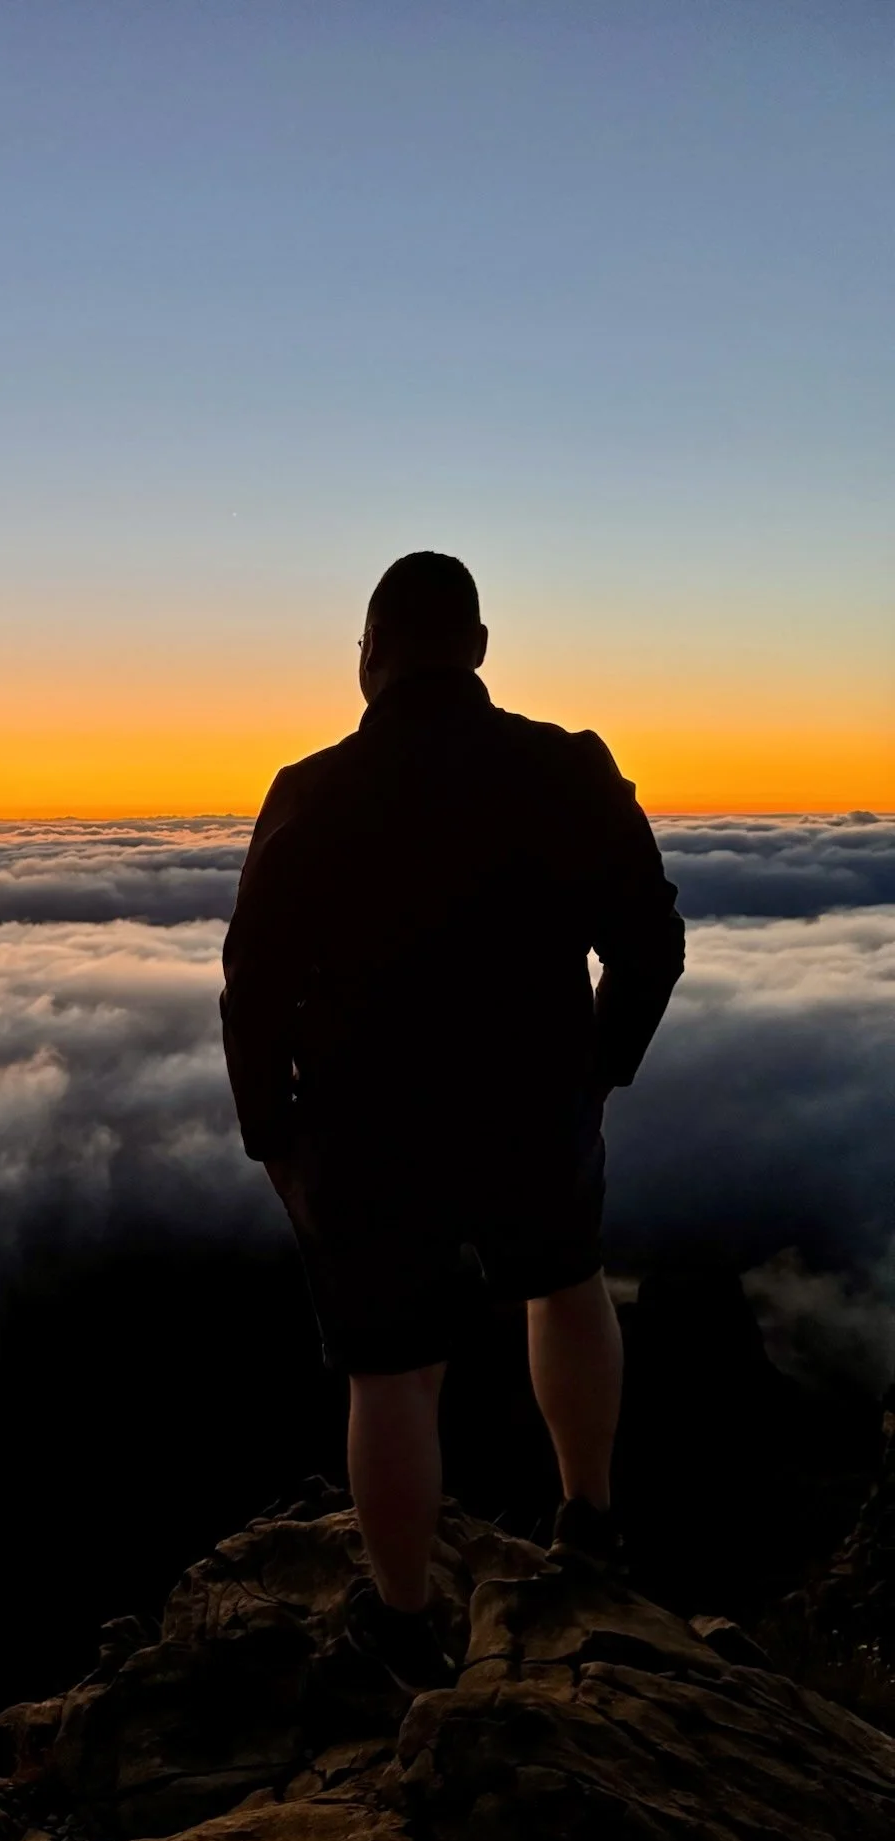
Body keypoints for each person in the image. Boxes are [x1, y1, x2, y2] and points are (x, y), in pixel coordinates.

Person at [220, 552, 684, 1692]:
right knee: (565, 1281)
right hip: (535, 1104)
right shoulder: (568, 769)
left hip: (364, 1130)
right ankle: (591, 1518)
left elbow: (253, 983)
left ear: (368, 657)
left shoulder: (311, 791)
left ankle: (403, 1619)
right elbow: (650, 941)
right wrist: (600, 1070)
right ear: (478, 648)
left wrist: (270, 1134)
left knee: (389, 1370)